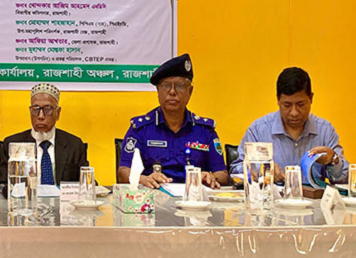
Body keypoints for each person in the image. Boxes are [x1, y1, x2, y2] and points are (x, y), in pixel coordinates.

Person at [117, 54, 228, 188]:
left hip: (194, 197)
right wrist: (143, 179)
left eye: (180, 86)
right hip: (154, 197)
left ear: (190, 91)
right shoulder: (141, 129)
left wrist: (211, 177)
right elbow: (123, 172)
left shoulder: (205, 130)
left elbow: (222, 174)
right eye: (166, 86)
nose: (172, 92)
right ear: (158, 90)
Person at [230, 67, 348, 183]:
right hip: (272, 195)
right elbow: (236, 172)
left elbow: (344, 178)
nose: (294, 112)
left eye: (300, 104)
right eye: (287, 105)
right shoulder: (259, 130)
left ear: (311, 98)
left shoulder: (325, 130)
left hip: (314, 196)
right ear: (278, 100)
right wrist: (262, 170)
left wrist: (333, 160)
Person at [0, 83, 89, 195]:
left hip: (63, 204)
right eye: (35, 109)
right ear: (30, 111)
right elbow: (1, 184)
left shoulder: (74, 145)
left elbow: (87, 184)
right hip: (26, 203)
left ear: (58, 113)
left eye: (47, 109)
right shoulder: (13, 144)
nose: (41, 116)